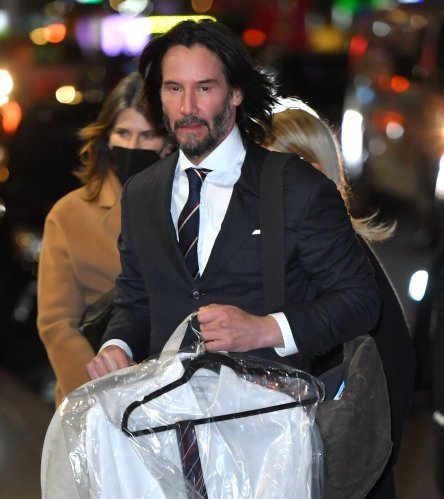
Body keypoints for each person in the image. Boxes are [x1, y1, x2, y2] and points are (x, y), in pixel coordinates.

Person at [86, 19, 380, 392]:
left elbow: (360, 300)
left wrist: (265, 329)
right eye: (174, 88)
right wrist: (117, 346)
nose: (187, 106)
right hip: (165, 414)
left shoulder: (296, 186)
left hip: (270, 413)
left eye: (204, 88)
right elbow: (136, 299)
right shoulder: (142, 192)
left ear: (236, 92)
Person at [265, 98, 415, 499]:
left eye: (294, 165)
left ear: (322, 173)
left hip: (335, 485)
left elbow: (393, 372)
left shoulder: (342, 259)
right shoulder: (268, 250)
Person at [37, 71, 171, 406]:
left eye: (148, 135)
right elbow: (57, 323)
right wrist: (95, 398)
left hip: (176, 394)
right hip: (94, 396)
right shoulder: (69, 214)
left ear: (169, 141)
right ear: (106, 137)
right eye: (123, 133)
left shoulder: (188, 204)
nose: (133, 146)